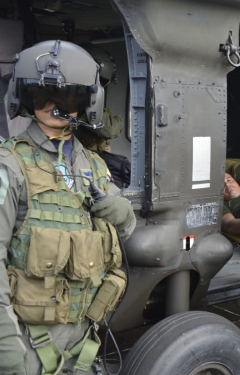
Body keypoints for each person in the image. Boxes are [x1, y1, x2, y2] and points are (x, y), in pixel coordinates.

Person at [0, 40, 136, 375]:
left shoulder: (93, 164)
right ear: (24, 99)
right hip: (29, 342)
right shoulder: (10, 165)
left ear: (87, 102)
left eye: (67, 97)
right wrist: (7, 348)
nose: (52, 105)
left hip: (85, 341)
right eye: (40, 95)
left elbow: (122, 235)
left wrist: (124, 215)